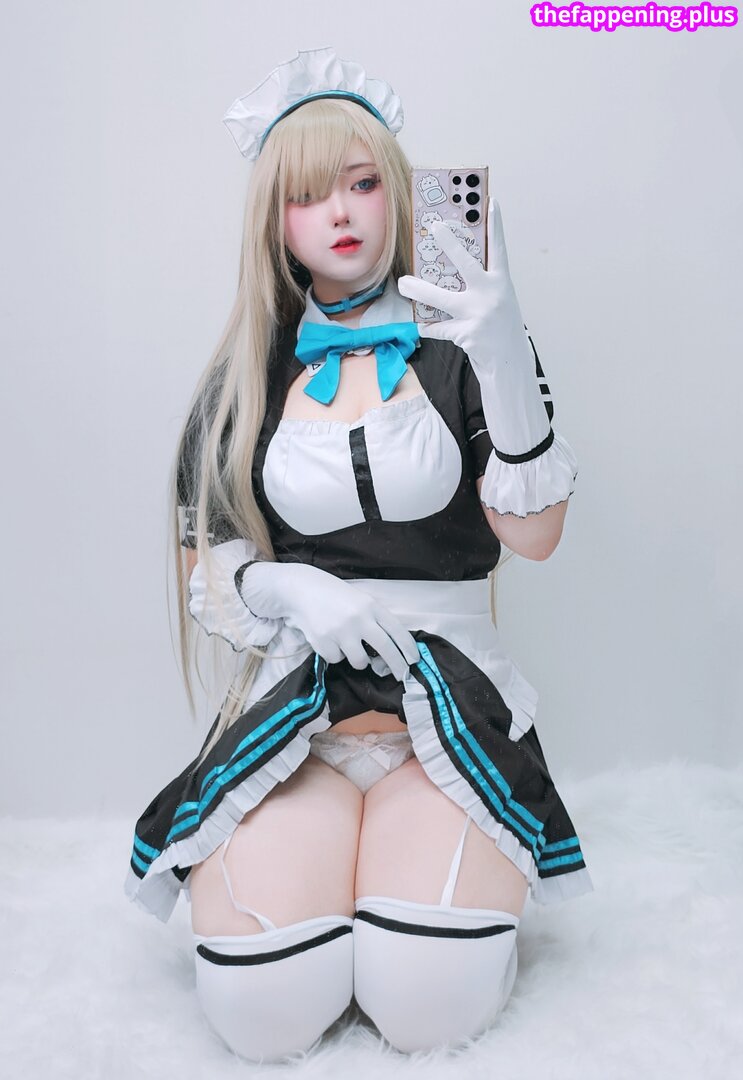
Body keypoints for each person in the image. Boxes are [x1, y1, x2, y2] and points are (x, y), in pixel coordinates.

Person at [125, 47, 593, 1062]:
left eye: (363, 182)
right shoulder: (249, 372)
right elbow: (207, 565)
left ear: (400, 190)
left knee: (429, 1005)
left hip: (448, 719)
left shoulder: (466, 346)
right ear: (275, 224)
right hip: (300, 721)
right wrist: (287, 585)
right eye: (306, 195)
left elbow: (535, 534)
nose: (338, 213)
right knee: (261, 1010)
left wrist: (502, 354)